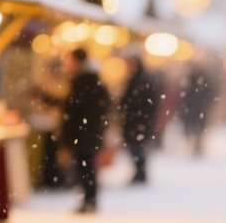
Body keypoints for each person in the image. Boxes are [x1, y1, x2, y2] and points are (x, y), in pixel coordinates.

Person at [61, 48, 111, 213]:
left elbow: (76, 107)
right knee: (86, 167)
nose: (67, 64)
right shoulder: (91, 81)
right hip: (88, 133)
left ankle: (89, 200)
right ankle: (90, 200)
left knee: (85, 168)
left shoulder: (84, 82)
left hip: (84, 133)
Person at [119, 55, 159, 184]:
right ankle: (139, 173)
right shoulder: (137, 80)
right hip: (137, 122)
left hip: (138, 122)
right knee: (136, 149)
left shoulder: (140, 81)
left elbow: (146, 103)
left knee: (137, 149)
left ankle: (140, 173)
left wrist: (135, 113)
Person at [178, 64, 218, 155]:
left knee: (197, 128)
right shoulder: (195, 80)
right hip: (195, 108)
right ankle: (194, 143)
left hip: (197, 108)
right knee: (194, 127)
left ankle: (196, 144)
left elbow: (184, 95)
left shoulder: (195, 81)